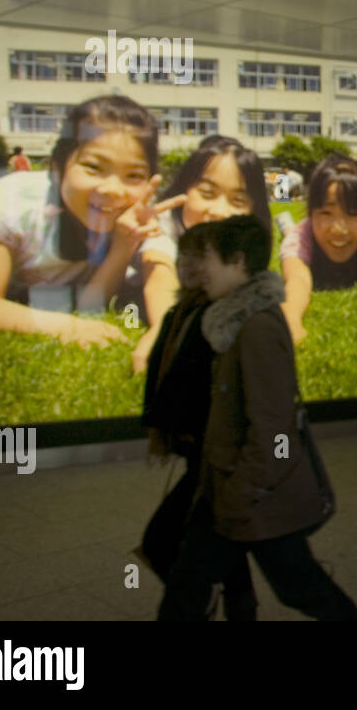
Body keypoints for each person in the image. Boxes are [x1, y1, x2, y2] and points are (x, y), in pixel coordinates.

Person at [157, 215, 357, 621]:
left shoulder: (257, 328)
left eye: (210, 259)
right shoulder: (231, 321)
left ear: (236, 263)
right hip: (227, 487)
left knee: (300, 587)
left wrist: (240, 493)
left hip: (253, 496)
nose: (202, 270)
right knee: (188, 584)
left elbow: (274, 430)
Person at [0, 96, 179, 347]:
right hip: (13, 264)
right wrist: (67, 327)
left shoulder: (133, 217)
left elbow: (92, 305)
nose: (113, 190)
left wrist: (123, 245)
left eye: (133, 175)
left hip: (54, 282)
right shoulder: (15, 206)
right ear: (57, 167)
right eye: (93, 167)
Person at [140, 223, 257, 620]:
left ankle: (199, 599)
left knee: (163, 540)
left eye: (200, 256)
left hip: (217, 452)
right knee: (223, 538)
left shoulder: (221, 316)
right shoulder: (181, 311)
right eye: (184, 254)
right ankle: (239, 604)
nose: (190, 265)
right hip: (199, 450)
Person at [132, 135, 271, 372]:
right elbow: (159, 276)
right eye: (207, 194)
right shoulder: (162, 228)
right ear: (183, 191)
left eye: (237, 200)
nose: (219, 211)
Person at [278, 156, 357, 346]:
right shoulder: (302, 235)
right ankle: (285, 223)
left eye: (352, 214)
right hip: (302, 234)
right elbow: (297, 279)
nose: (339, 228)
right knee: (289, 234)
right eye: (326, 213)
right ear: (311, 214)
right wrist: (290, 318)